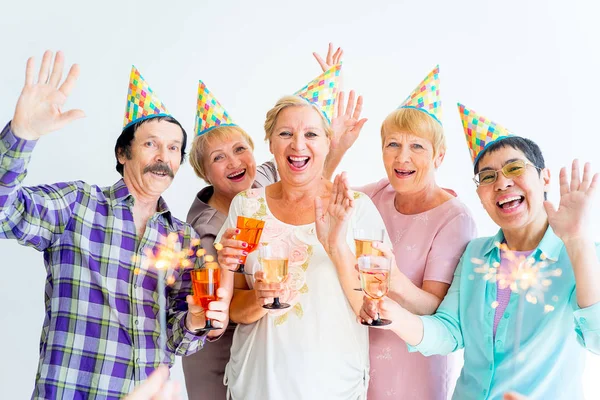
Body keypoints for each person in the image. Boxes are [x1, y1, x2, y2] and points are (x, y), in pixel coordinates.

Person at [0, 51, 228, 399]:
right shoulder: (78, 205)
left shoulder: (184, 239)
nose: (163, 157)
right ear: (123, 154)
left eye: (173, 148)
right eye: (151, 144)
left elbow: (177, 340)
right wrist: (21, 136)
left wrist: (195, 322)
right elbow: (6, 212)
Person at [361, 103, 600, 399]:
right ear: (480, 195)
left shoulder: (583, 254)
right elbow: (448, 332)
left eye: (514, 168)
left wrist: (577, 241)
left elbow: (597, 339)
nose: (502, 183)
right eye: (488, 176)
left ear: (544, 177)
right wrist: (393, 313)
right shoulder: (476, 254)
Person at [182, 58, 366, 398]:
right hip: (224, 358)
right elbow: (223, 312)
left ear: (256, 152)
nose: (234, 162)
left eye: (239, 150)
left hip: (330, 379)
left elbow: (304, 162)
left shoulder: (265, 180)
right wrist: (254, 297)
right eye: (218, 158)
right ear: (204, 173)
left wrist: (326, 120)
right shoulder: (210, 227)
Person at [311, 50, 477, 398]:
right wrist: (328, 135)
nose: (403, 157)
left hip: (411, 367)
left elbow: (436, 310)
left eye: (417, 146)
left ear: (439, 156)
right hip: (354, 359)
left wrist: (395, 281)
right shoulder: (376, 195)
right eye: (393, 145)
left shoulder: (454, 218)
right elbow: (317, 196)